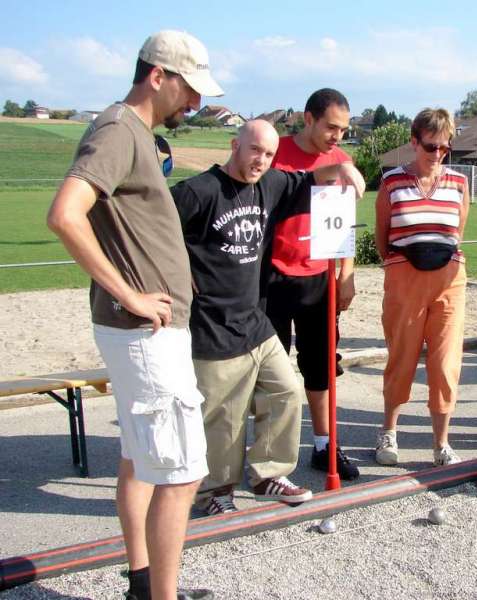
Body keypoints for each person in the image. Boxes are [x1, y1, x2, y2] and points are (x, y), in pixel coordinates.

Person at [46, 30, 224, 600]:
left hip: (143, 329)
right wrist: (132, 294)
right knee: (182, 472)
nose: (194, 103)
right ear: (157, 75)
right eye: (189, 89)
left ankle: (143, 584)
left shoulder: (133, 131)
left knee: (138, 460)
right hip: (144, 331)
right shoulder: (119, 128)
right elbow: (65, 215)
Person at [171, 121, 365, 514]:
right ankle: (215, 494)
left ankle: (267, 474)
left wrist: (343, 168)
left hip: (253, 321)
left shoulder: (270, 186)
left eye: (269, 154)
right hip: (212, 325)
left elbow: (311, 178)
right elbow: (148, 227)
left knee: (286, 392)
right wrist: (174, 269)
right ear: (234, 145)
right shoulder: (199, 191)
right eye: (254, 150)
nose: (261, 160)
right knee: (223, 417)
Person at [263, 88, 359, 480]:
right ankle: (269, 455)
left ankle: (324, 445)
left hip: (318, 278)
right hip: (271, 277)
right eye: (331, 127)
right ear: (308, 119)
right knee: (271, 371)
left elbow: (344, 222)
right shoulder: (276, 152)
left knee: (321, 367)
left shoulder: (341, 159)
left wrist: (347, 273)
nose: (337, 136)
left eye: (343, 130)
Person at [374, 107, 469, 466]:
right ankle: (388, 432)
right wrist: (400, 267)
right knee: (402, 357)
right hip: (404, 278)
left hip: (449, 281)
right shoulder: (392, 182)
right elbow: (383, 236)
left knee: (446, 363)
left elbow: (456, 233)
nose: (438, 154)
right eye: (431, 147)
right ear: (414, 142)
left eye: (445, 148)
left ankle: (441, 443)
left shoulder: (459, 183)